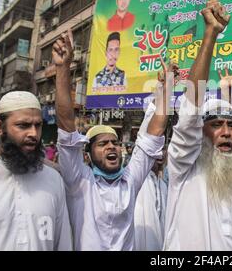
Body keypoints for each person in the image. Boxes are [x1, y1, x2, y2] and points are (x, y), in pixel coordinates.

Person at [163, 0, 232, 251]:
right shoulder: (184, 168)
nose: (226, 133)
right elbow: (190, 111)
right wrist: (210, 33)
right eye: (216, 125)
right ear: (201, 131)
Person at [53, 30, 172, 250]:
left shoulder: (131, 180)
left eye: (115, 143)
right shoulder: (79, 181)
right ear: (87, 155)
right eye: (102, 143)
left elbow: (153, 135)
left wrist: (167, 88)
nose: (111, 147)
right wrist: (62, 69)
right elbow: (67, 129)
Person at [0, 91, 72, 250]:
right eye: (23, 125)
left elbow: (63, 244)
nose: (33, 134)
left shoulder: (53, 180)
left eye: (38, 125)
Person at [134, 148, 168, 251]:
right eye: (157, 149)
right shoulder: (139, 181)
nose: (160, 153)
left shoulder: (163, 185)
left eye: (163, 149)